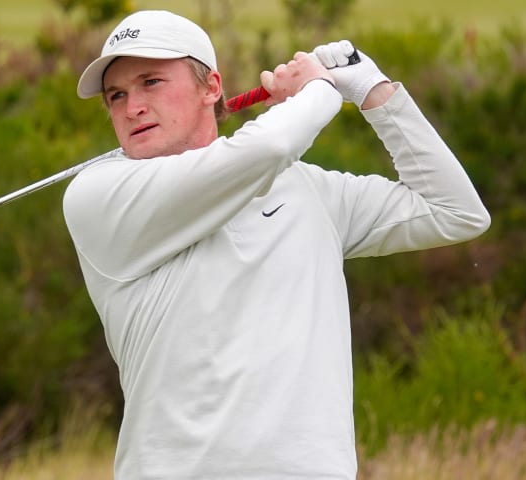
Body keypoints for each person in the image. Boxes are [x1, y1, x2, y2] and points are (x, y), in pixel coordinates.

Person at [63, 10, 490, 480]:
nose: (132, 107)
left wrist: (372, 90)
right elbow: (265, 149)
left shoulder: (310, 191)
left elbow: (455, 212)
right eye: (116, 95)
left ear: (211, 88)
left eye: (151, 82)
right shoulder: (98, 196)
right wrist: (320, 88)